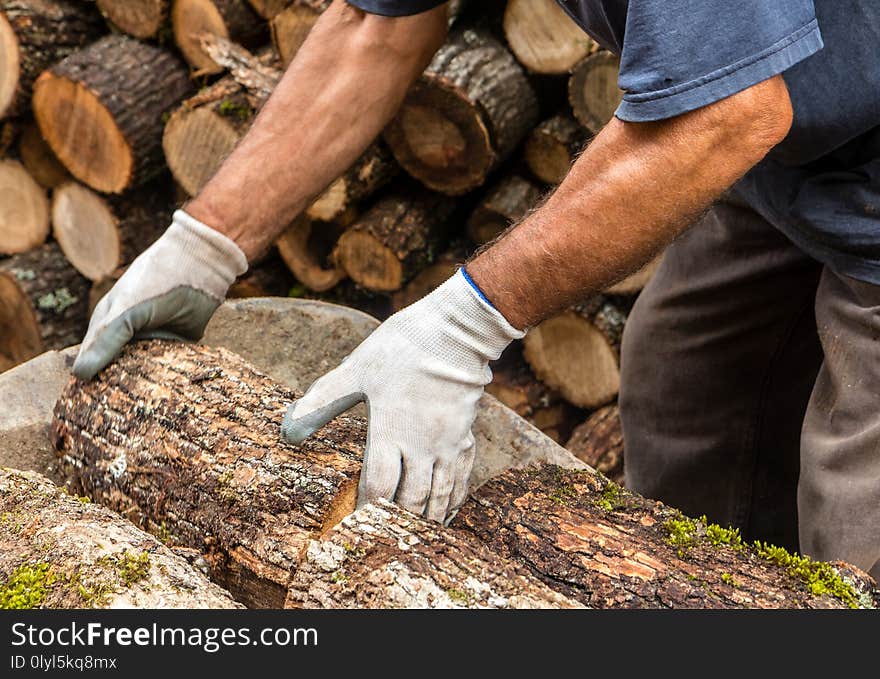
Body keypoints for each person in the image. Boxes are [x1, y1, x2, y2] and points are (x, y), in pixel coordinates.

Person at [73, 1, 880, 580]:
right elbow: (376, 23)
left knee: (855, 531)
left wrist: (461, 326)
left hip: (777, 130)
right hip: (787, 150)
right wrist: (206, 242)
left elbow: (725, 113)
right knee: (683, 397)